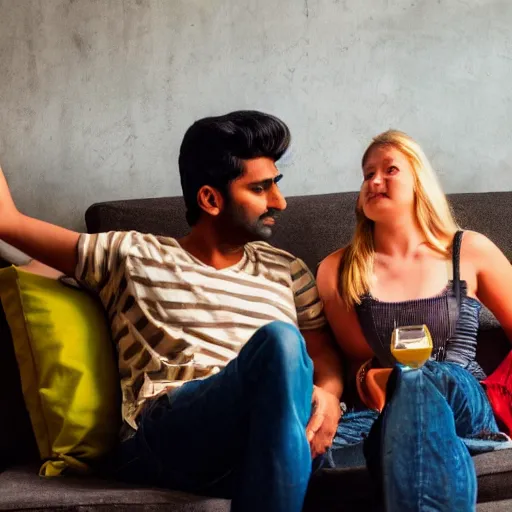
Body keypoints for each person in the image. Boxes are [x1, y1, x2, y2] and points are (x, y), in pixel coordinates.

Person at [0, 111, 343, 512]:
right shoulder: (130, 255)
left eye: (276, 185)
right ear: (211, 199)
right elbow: (8, 222)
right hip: (173, 436)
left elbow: (321, 357)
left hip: (272, 433)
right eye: (261, 189)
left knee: (297, 369)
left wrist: (332, 396)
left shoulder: (288, 269)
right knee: (280, 340)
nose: (279, 202)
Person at [316, 130, 512, 511]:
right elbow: (358, 363)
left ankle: (471, 433)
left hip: (464, 394)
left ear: (419, 180)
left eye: (390, 170)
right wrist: (367, 380)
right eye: (367, 173)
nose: (374, 181)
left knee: (432, 375)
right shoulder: (337, 269)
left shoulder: (468, 249)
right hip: (386, 407)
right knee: (311, 445)